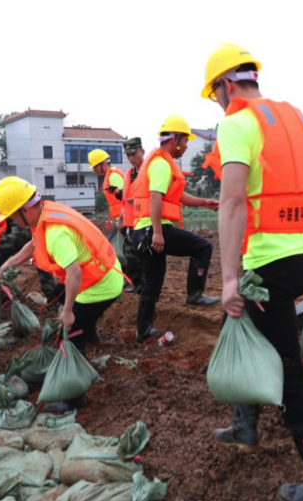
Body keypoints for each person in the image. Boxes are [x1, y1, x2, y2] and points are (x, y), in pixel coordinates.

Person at [203, 43, 303, 501]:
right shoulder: (298, 121)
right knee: (239, 325)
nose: (219, 104)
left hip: (269, 267)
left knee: (288, 379)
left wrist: (228, 280)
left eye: (215, 95)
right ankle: (245, 427)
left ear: (226, 86)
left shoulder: (236, 122)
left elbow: (231, 202)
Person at [0, 177, 124, 358]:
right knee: (58, 292)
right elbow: (34, 243)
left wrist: (69, 312)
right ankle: (89, 328)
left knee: (70, 336)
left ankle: (79, 369)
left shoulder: (55, 234)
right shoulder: (46, 211)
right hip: (105, 270)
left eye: (12, 216)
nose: (13, 221)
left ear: (24, 209)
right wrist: (10, 262)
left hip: (101, 284)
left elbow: (74, 272)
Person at [132, 115, 220, 342]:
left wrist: (203, 202)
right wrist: (159, 233)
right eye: (186, 141)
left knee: (153, 282)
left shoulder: (158, 162)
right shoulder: (161, 164)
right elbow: (155, 197)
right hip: (153, 230)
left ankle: (143, 330)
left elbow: (175, 196)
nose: (187, 145)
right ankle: (195, 294)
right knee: (203, 247)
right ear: (176, 139)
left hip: (142, 231)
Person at [119, 137, 146, 291]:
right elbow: (124, 199)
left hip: (144, 222)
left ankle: (145, 287)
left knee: (144, 258)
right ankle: (137, 285)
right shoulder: (128, 174)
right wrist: (121, 219)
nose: (131, 158)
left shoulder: (148, 170)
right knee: (130, 257)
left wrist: (139, 199)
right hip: (130, 223)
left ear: (142, 151)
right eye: (128, 155)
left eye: (134, 154)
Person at [89, 149, 124, 230]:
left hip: (125, 221)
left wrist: (122, 219)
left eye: (95, 166)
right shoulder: (111, 175)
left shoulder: (113, 176)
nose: (94, 169)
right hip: (122, 220)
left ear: (103, 163)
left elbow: (126, 198)